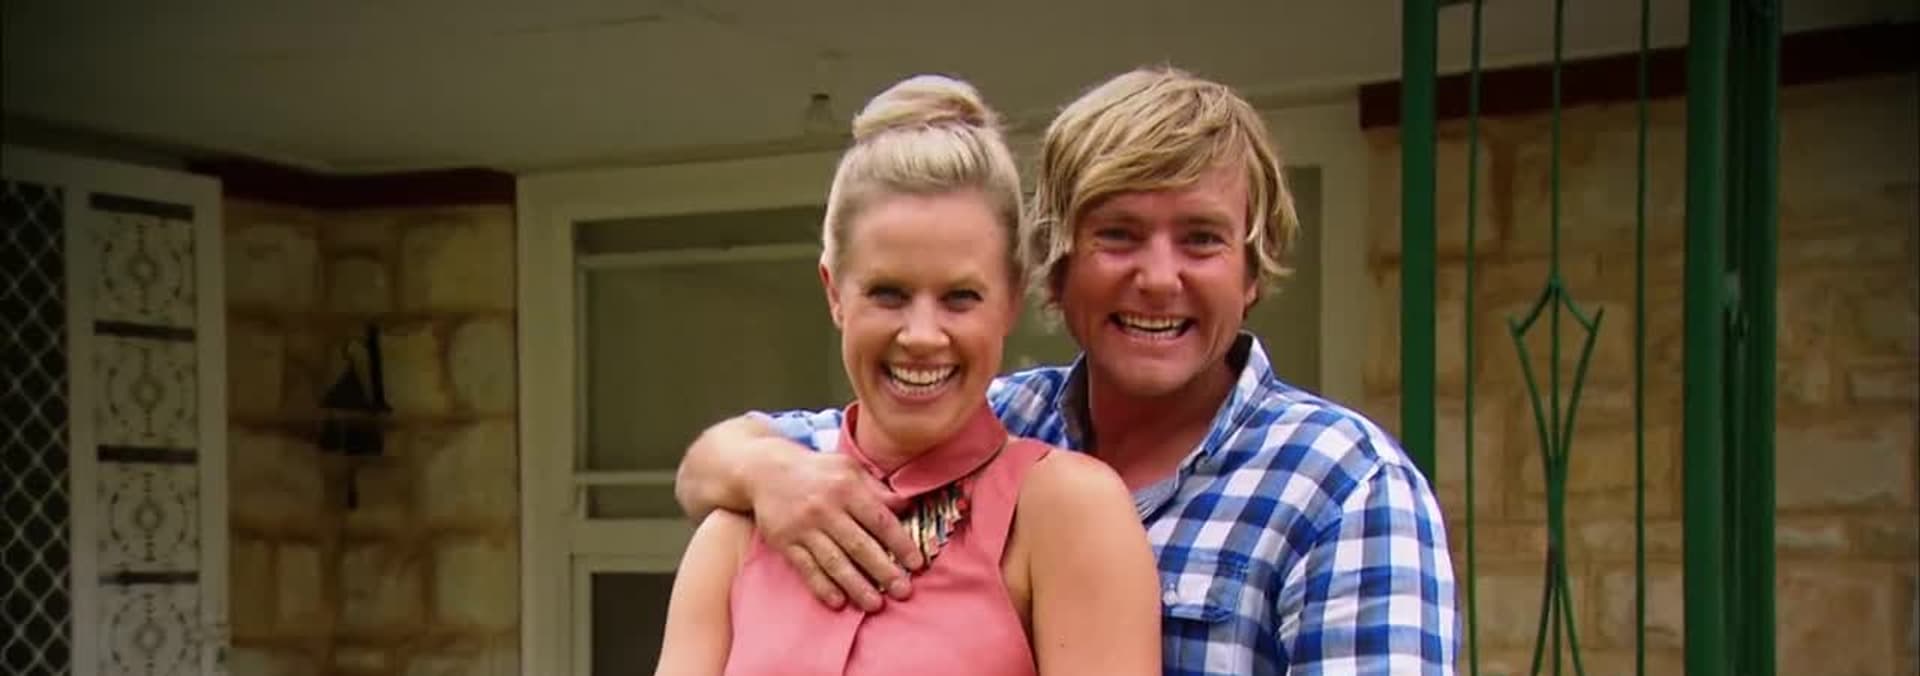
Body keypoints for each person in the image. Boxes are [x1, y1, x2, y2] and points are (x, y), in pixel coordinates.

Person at [675, 66, 1459, 675]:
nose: (1159, 279)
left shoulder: (1343, 486)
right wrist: (762, 472)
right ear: (1054, 267)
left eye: (1201, 239)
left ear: (1252, 271)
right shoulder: (996, 412)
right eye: (1119, 235)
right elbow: (737, 455)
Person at [652, 74, 1162, 676]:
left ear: (1011, 300)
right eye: (888, 293)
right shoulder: (738, 532)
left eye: (961, 297)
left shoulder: (1068, 512)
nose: (921, 336)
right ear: (834, 292)